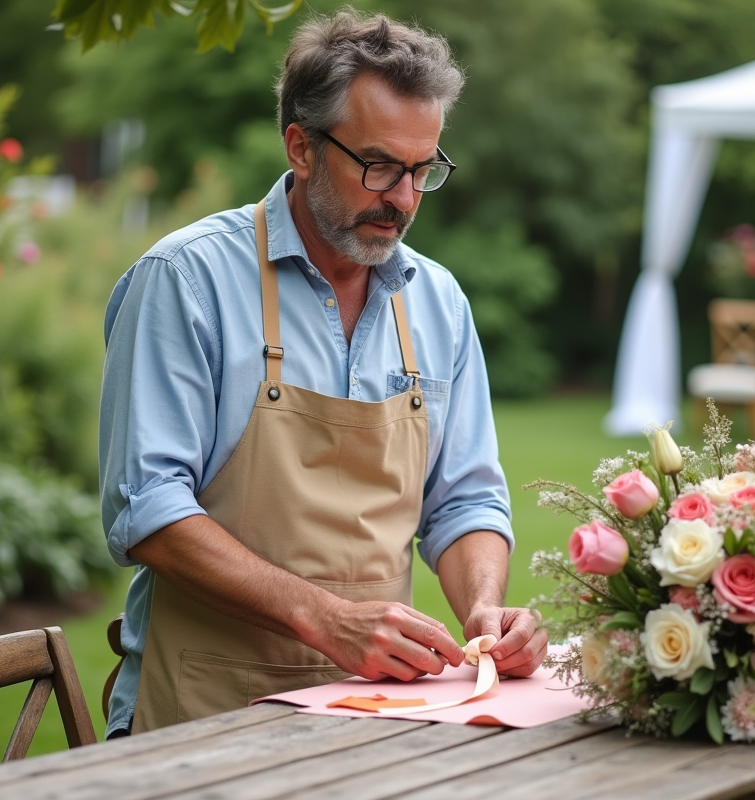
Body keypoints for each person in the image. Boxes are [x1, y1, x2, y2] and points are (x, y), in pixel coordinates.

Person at [99, 9, 548, 737]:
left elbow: (463, 503)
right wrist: (325, 618)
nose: (402, 198)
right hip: (204, 716)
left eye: (421, 170)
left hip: (382, 717)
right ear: (301, 148)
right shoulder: (186, 280)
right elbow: (147, 510)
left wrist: (484, 610)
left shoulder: (439, 302)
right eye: (378, 165)